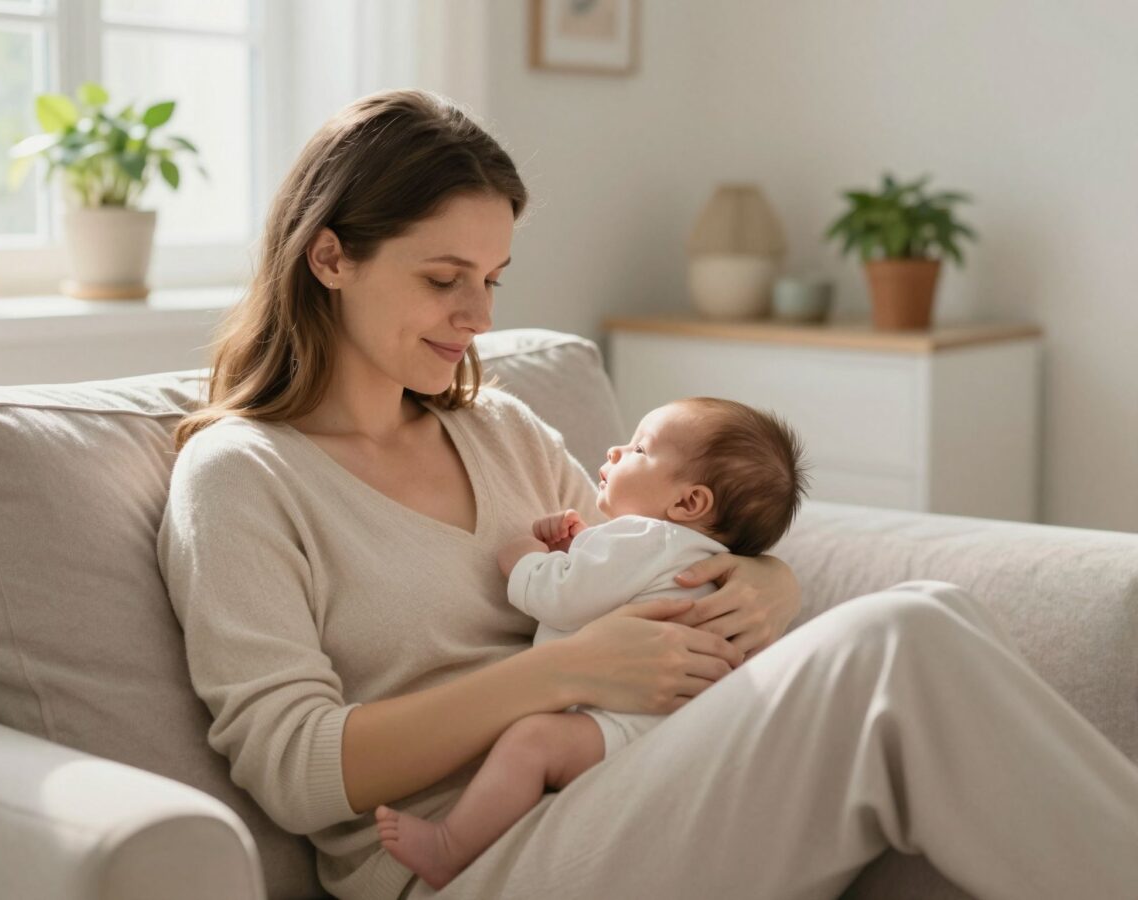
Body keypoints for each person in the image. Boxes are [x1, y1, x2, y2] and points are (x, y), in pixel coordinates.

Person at [156, 87, 1138, 900]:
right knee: (900, 644)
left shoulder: (498, 430)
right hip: (464, 858)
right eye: (445, 278)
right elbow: (292, 771)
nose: (479, 317)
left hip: (619, 781)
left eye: (494, 278)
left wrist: (767, 583)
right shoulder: (243, 475)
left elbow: (648, 559)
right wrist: (560, 673)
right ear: (331, 257)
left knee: (932, 612)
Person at [374, 397, 812, 889]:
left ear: (689, 503)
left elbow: (561, 597)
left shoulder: (643, 538)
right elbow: (604, 585)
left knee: (531, 742)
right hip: (682, 732)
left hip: (630, 727)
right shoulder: (681, 552)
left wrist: (524, 559)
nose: (616, 450)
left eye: (640, 448)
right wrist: (578, 549)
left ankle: (450, 847)